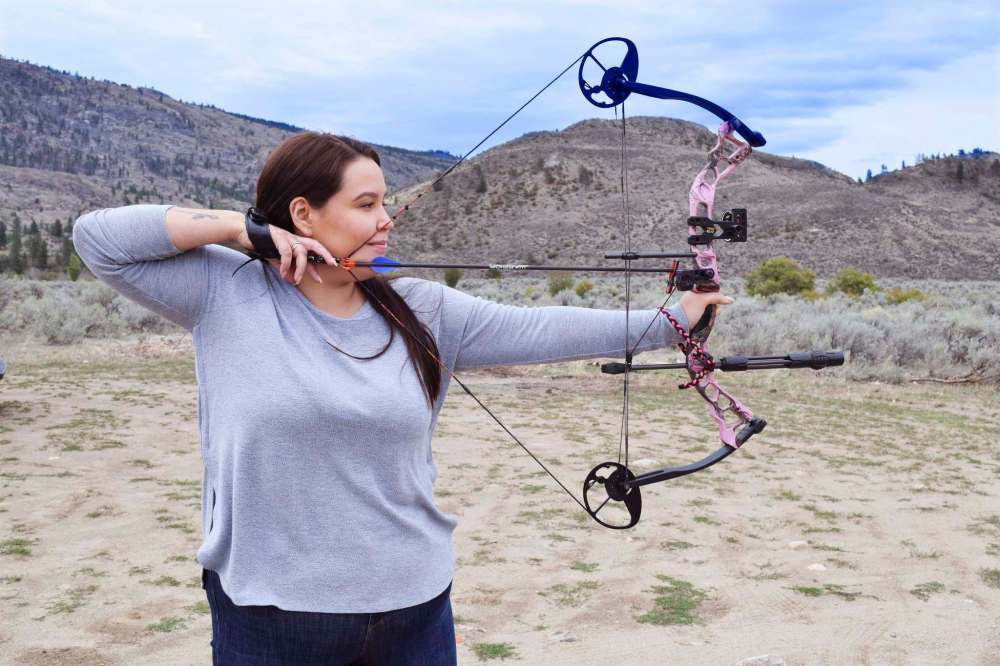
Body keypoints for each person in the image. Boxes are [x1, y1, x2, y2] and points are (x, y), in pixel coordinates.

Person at [72, 131, 732, 665]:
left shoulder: (421, 307)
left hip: (413, 609)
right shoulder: (225, 291)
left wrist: (679, 315)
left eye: (384, 202)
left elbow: (544, 327)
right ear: (304, 213)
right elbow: (97, 239)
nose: (386, 219)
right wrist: (240, 231)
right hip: (273, 618)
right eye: (365, 205)